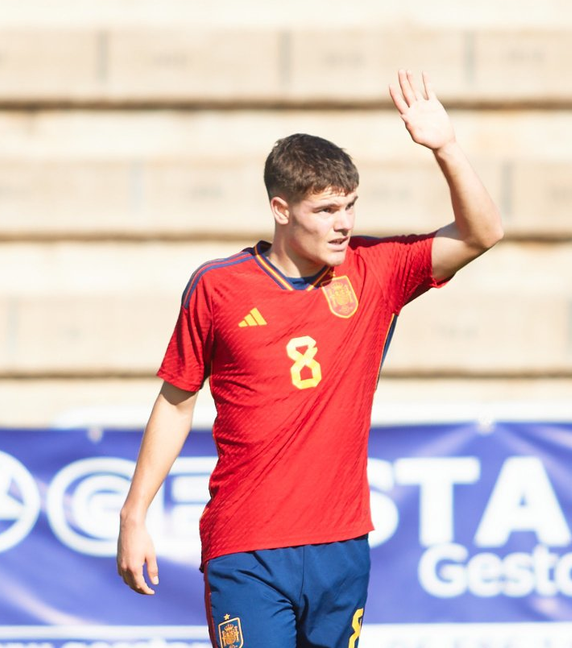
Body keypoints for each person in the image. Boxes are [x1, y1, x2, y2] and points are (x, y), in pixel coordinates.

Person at [115, 70, 503, 647]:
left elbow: (483, 233)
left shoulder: (376, 270)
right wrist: (134, 515)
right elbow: (176, 402)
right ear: (281, 208)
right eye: (325, 210)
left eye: (349, 206)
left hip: (341, 546)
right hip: (246, 546)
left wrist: (445, 147)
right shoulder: (217, 287)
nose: (343, 223)